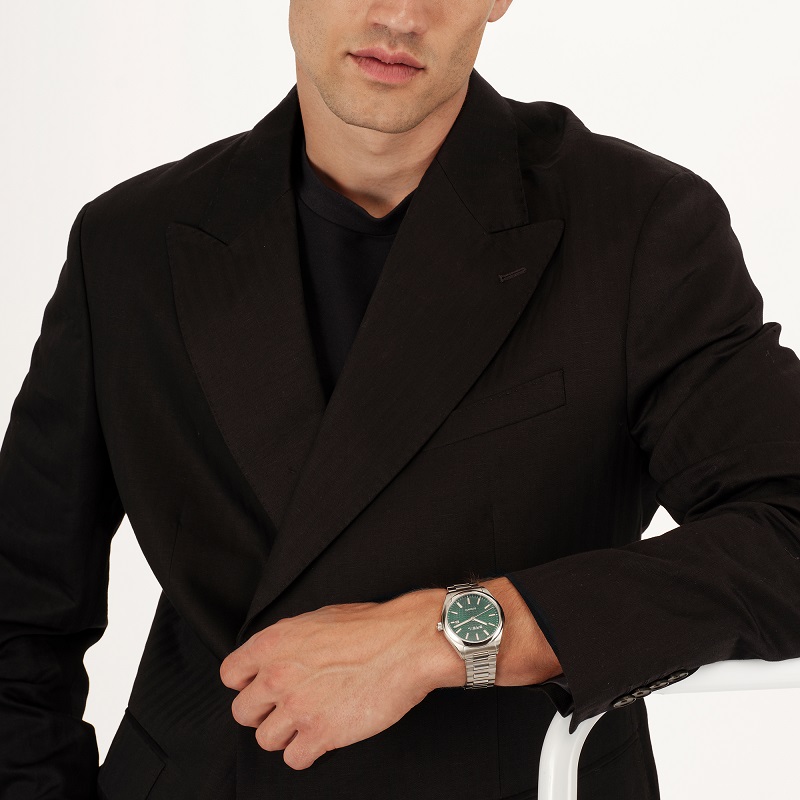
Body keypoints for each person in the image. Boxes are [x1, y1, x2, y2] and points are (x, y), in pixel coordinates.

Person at [1, 1, 799, 798]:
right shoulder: (128, 244)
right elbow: (20, 613)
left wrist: (452, 634)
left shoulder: (634, 226)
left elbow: (788, 530)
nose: (400, 14)